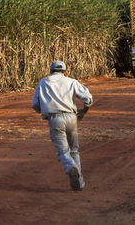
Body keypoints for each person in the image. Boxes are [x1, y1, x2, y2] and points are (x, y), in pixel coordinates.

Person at [31, 60, 93, 191]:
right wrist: (84, 111)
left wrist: (41, 110)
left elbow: (35, 104)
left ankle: (71, 167)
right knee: (74, 150)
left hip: (55, 119)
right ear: (65, 72)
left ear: (50, 70)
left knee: (63, 152)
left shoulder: (43, 82)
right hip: (71, 117)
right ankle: (79, 182)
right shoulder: (71, 81)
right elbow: (88, 98)